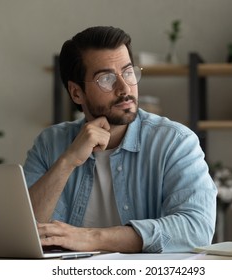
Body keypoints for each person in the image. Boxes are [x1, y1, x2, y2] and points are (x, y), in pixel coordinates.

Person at [23, 26, 217, 253]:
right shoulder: (50, 143)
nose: (125, 88)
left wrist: (91, 238)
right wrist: (68, 162)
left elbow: (197, 229)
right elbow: (23, 230)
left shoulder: (176, 142)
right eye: (106, 79)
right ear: (76, 93)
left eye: (128, 72)